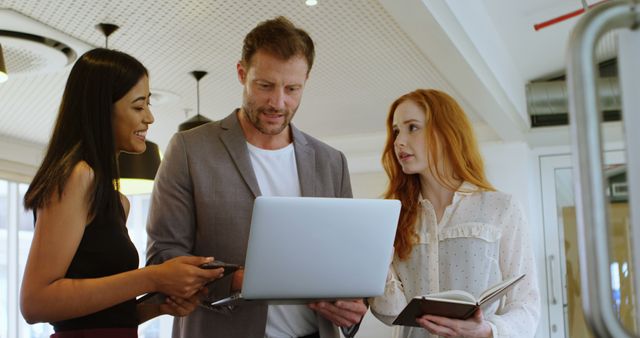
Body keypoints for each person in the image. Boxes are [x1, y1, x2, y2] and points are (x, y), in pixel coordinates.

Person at [145, 16, 367, 338]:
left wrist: (353, 307)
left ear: (306, 80)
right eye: (265, 86)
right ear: (241, 74)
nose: (278, 102)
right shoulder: (190, 149)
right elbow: (163, 257)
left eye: (292, 89)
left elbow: (348, 262)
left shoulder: (331, 162)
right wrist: (239, 281)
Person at [20, 48, 223, 338]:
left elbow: (101, 319)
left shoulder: (118, 201)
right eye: (138, 106)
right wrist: (153, 277)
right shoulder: (77, 177)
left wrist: (159, 305)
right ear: (102, 109)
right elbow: (36, 303)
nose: (150, 118)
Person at [370, 89, 540, 337]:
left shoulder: (501, 208)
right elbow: (391, 313)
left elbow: (527, 306)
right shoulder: (392, 216)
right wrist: (379, 262)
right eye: (396, 131)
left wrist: (487, 330)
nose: (398, 142)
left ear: (445, 133)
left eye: (412, 128)